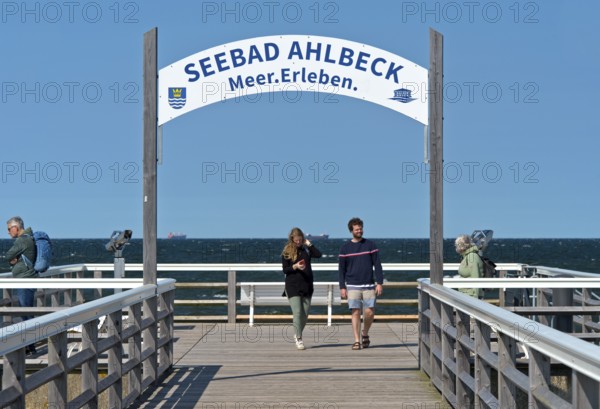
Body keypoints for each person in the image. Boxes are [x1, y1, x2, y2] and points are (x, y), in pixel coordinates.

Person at [338, 217, 383, 350]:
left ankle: (365, 333)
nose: (360, 231)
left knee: (369, 312)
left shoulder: (370, 245)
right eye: (357, 229)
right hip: (352, 285)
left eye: (361, 228)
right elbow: (341, 269)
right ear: (351, 230)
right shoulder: (345, 248)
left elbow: (378, 265)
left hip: (369, 284)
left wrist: (379, 283)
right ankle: (357, 340)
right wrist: (342, 287)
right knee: (355, 312)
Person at [281, 227, 322, 350]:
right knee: (297, 312)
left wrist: (310, 245)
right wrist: (295, 266)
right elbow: (285, 269)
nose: (298, 242)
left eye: (300, 240)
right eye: (296, 240)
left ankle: (296, 333)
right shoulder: (287, 252)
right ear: (292, 239)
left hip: (307, 285)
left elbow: (318, 255)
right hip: (292, 285)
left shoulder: (306, 250)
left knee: (305, 314)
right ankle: (299, 338)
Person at [5, 216, 38, 355]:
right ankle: (29, 346)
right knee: (26, 312)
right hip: (27, 279)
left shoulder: (22, 240)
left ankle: (30, 347)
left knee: (26, 313)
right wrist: (16, 261)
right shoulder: (29, 238)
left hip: (25, 280)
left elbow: (8, 255)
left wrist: (14, 260)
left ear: (15, 228)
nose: (8, 232)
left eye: (8, 229)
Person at [455, 234, 484, 299]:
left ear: (462, 246)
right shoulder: (467, 256)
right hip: (466, 294)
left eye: (457, 245)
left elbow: (475, 277)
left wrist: (475, 298)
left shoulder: (471, 257)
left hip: (470, 295)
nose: (456, 247)